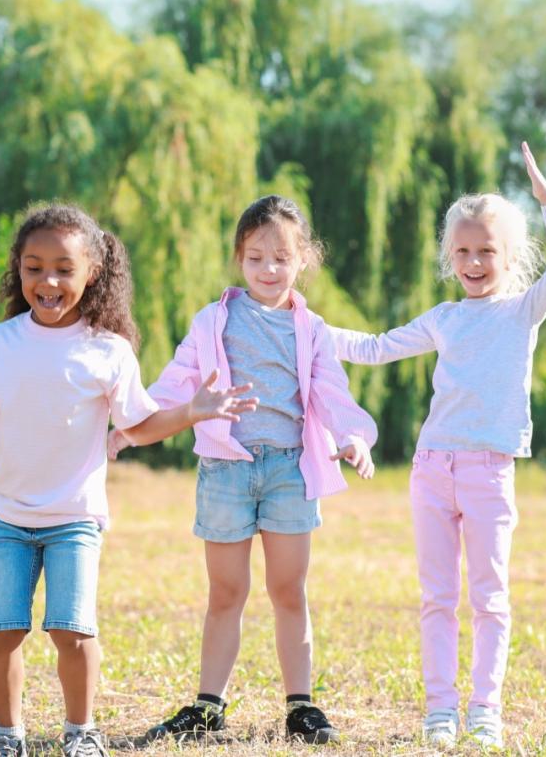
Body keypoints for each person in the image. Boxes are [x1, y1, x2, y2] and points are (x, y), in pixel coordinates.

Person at [0, 203, 257, 757]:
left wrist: (192, 411)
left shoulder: (108, 350)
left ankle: (81, 733)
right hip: (7, 517)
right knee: (1, 632)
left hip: (75, 520)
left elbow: (140, 424)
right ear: (19, 271)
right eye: (34, 267)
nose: (47, 281)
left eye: (63, 268)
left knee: (72, 633)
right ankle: (8, 736)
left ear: (92, 273)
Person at [330, 142, 546, 749]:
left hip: (490, 471)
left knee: (490, 598)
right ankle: (440, 712)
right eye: (462, 251)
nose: (473, 261)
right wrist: (304, 326)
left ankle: (484, 712)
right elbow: (373, 347)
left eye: (486, 251)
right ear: (449, 256)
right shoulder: (443, 317)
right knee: (438, 598)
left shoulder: (523, 311)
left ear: (509, 256)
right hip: (431, 470)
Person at [115, 195, 377, 746]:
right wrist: (130, 426)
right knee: (226, 592)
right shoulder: (213, 320)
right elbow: (176, 383)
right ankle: (208, 706)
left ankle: (300, 706)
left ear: (303, 258)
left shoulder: (312, 329)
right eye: (256, 257)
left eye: (281, 257)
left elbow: (332, 396)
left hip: (288, 471)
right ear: (240, 258)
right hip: (226, 471)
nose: (268, 269)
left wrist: (355, 437)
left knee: (289, 590)